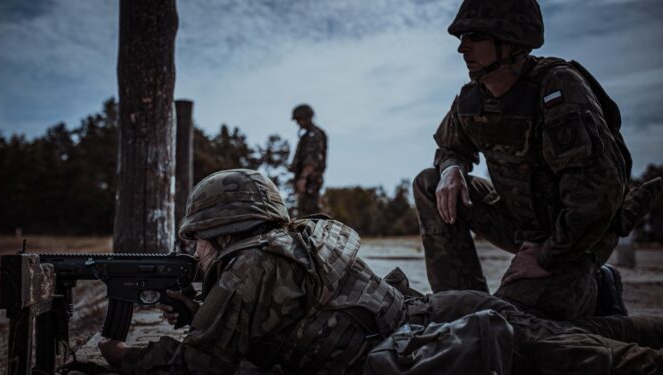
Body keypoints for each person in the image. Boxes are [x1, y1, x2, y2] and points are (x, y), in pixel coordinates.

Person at [99, 169, 663, 375]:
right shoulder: (295, 239)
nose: (193, 250)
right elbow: (282, 315)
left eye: (196, 238)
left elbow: (201, 364)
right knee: (569, 338)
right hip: (434, 313)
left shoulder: (248, 268)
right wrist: (204, 310)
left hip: (424, 345)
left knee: (576, 356)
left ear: (224, 227)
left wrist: (130, 358)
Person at [412, 0, 661, 320]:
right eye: (462, 37)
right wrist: (452, 168)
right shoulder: (472, 98)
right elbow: (450, 147)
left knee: (518, 324)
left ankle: (599, 287)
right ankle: (461, 305)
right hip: (522, 224)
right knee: (429, 183)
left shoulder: (558, 89)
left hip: (576, 236)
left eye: (474, 36)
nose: (462, 48)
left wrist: (546, 258)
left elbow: (595, 200)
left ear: (511, 40)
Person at [289, 104, 327, 217]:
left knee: (309, 216)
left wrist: (303, 178)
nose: (298, 123)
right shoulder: (307, 135)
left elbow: (312, 160)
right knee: (305, 214)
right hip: (308, 182)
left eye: (299, 119)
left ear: (307, 118)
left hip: (310, 182)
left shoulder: (313, 135)